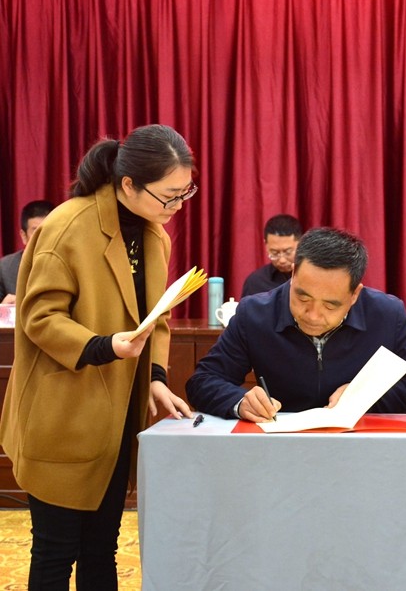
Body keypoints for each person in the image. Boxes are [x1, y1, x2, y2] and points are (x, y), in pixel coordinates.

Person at [0, 124, 196, 589]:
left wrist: (156, 376)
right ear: (128, 184)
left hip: (117, 417)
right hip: (64, 414)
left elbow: (157, 318)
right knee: (55, 552)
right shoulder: (67, 226)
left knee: (102, 548)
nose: (177, 206)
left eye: (185, 193)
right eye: (169, 196)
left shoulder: (153, 235)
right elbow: (40, 317)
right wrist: (104, 346)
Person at [187, 227, 406, 421]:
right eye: (303, 298)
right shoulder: (255, 314)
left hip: (361, 443)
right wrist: (240, 402)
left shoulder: (387, 314)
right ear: (294, 273)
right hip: (281, 443)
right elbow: (203, 381)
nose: (313, 315)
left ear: (354, 295)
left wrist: (364, 396)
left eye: (330, 305)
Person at [0, 200, 56, 304]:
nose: (42, 237)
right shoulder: (5, 268)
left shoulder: (72, 264)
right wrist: (4, 309)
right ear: (24, 236)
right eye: (36, 231)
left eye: (48, 230)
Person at [241, 213, 303, 297]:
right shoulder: (255, 282)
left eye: (288, 252)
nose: (282, 260)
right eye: (275, 253)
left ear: (301, 244)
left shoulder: (313, 276)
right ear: (266, 245)